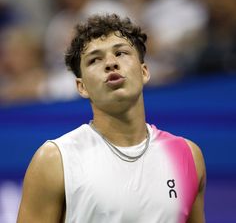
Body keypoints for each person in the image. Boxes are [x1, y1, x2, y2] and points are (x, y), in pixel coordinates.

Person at [17, 14, 206, 222]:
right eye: (95, 59)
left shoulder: (187, 155)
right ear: (82, 87)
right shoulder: (55, 160)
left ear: (144, 72)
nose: (110, 63)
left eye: (121, 53)